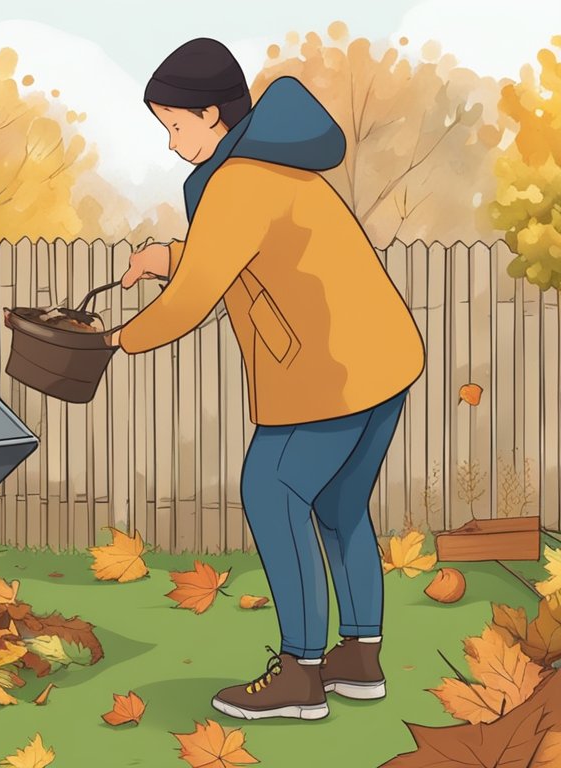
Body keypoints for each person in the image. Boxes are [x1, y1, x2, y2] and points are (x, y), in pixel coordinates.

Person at [102, 38, 426, 721]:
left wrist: (116, 340)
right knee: (338, 507)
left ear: (213, 114)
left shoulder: (239, 181)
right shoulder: (272, 169)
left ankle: (301, 674)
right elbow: (248, 249)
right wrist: (168, 254)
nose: (171, 144)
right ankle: (360, 659)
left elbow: (196, 296)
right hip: (383, 359)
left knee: (271, 489)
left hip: (330, 372)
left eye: (176, 126)